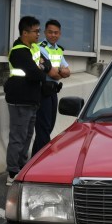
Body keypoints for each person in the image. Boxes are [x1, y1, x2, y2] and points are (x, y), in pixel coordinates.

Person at [4, 16, 52, 185]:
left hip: (31, 99)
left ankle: (21, 167)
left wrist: (41, 67)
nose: (39, 34)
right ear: (25, 32)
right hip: (20, 99)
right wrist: (40, 68)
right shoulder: (19, 51)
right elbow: (36, 73)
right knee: (18, 136)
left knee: (27, 136)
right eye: (36, 31)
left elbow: (47, 66)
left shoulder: (33, 49)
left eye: (39, 31)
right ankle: (12, 172)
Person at [31, 19, 71, 156]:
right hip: (42, 92)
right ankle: (43, 160)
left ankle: (33, 160)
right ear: (45, 32)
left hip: (53, 92)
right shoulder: (41, 48)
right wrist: (60, 72)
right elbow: (54, 73)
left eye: (56, 33)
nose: (53, 35)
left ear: (59, 34)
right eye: (50, 32)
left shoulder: (59, 50)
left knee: (48, 127)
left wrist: (58, 71)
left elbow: (68, 71)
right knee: (43, 128)